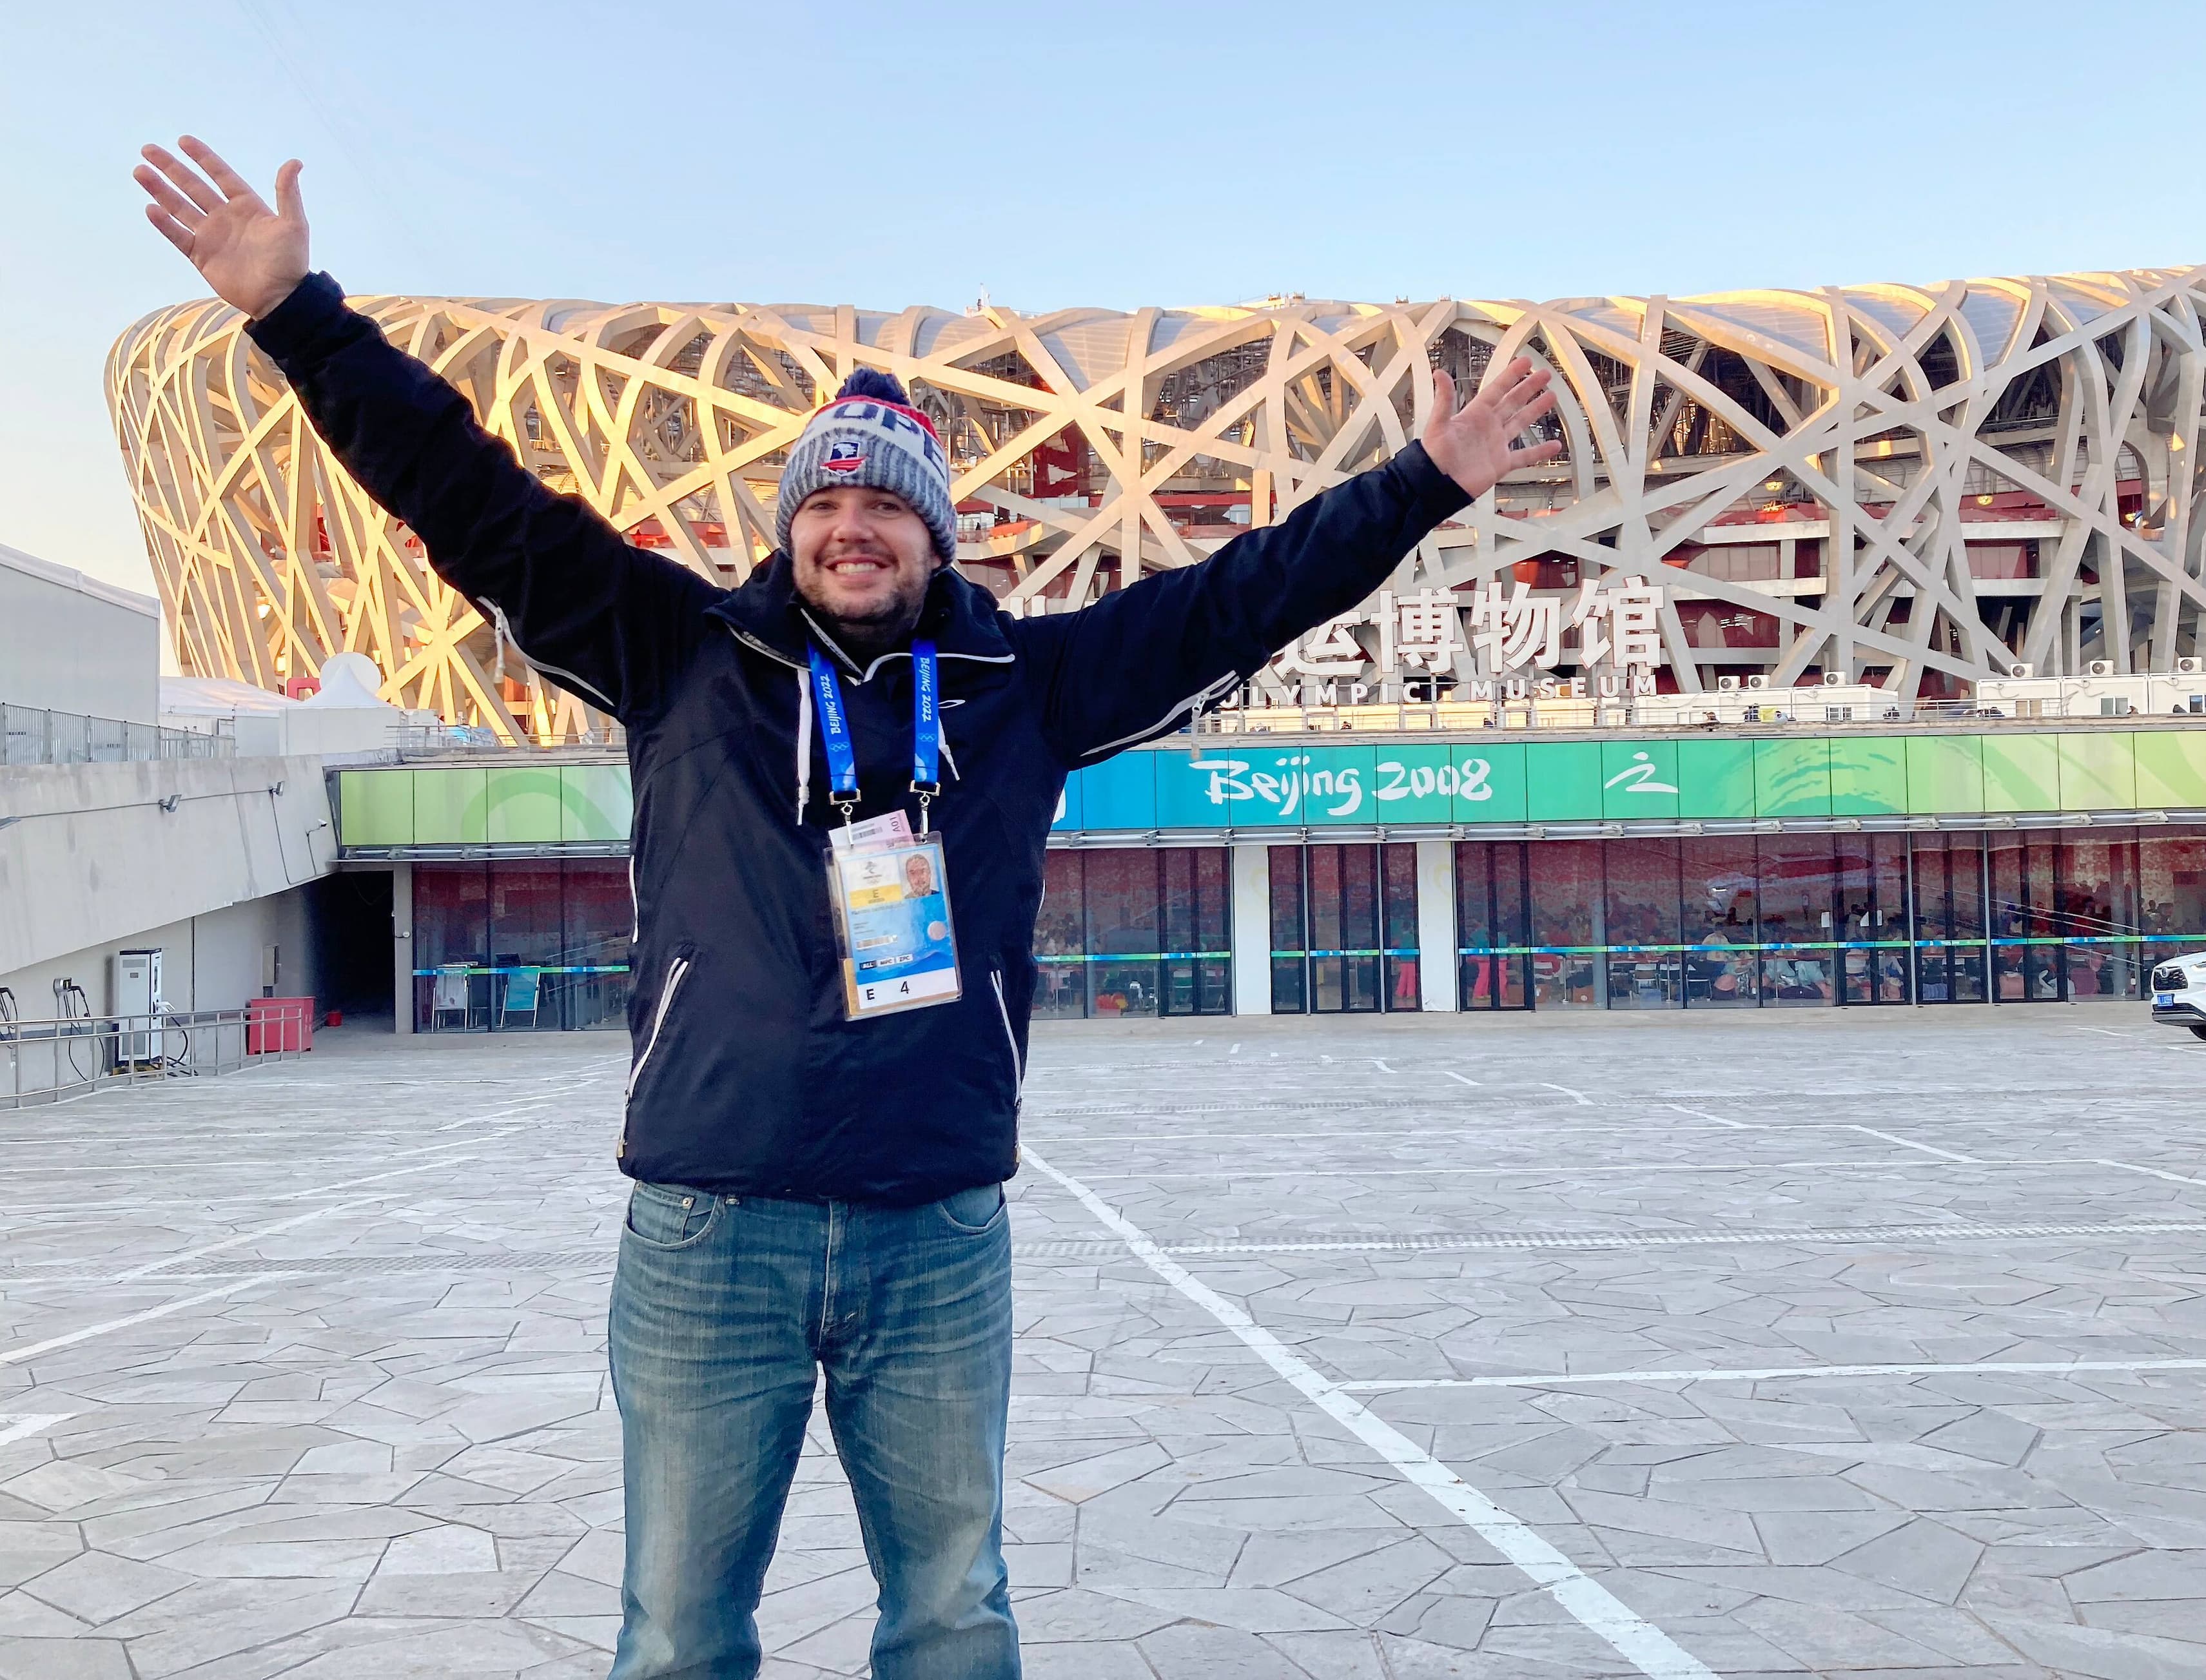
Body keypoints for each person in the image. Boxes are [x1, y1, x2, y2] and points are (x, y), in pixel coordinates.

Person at [132, 137, 1560, 1680]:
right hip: (708, 1225)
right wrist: (295, 317)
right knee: (678, 1635)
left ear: (937, 535)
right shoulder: (677, 654)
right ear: (789, 526)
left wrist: (1426, 481)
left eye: (889, 508)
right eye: (827, 505)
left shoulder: (1028, 687)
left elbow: (1243, 594)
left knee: (953, 1620)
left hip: (934, 1231)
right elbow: (470, 497)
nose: (853, 528)